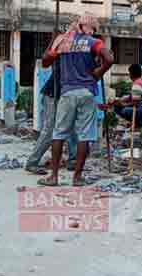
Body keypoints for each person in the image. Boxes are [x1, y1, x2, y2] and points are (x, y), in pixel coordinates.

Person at [38, 15, 114, 186]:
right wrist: (98, 73)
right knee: (84, 135)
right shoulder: (94, 42)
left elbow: (45, 62)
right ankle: (77, 178)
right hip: (87, 92)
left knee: (58, 134)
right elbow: (109, 59)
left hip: (67, 92)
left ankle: (54, 177)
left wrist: (53, 43)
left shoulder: (63, 42)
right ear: (87, 27)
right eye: (92, 29)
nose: (92, 32)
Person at [25, 58, 79, 175]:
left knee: (72, 128)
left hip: (67, 96)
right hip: (52, 95)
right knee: (49, 130)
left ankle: (73, 160)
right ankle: (32, 163)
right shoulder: (65, 56)